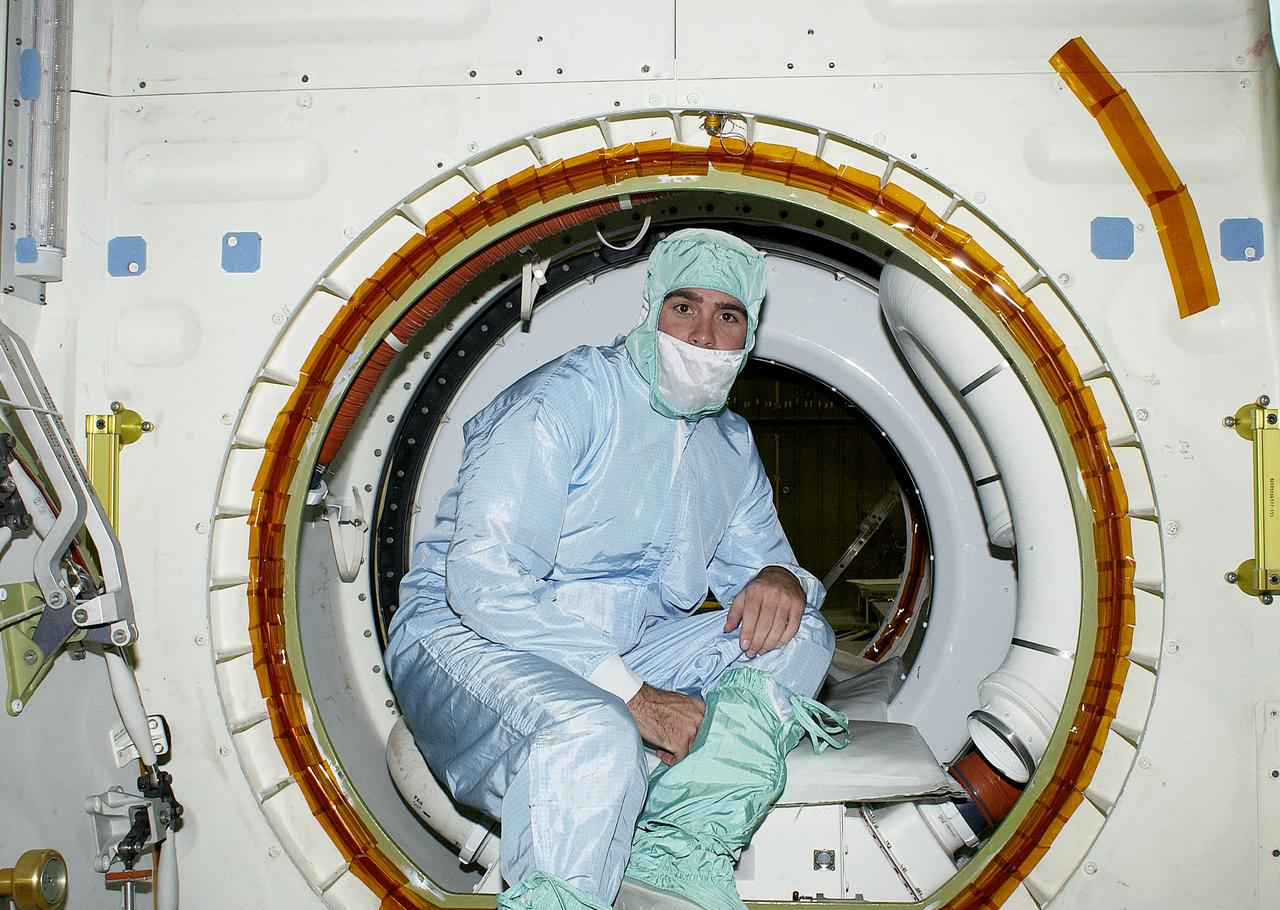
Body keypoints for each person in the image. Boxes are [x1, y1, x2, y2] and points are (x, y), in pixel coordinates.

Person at [384, 228, 835, 906]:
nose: (704, 334)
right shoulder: (564, 399)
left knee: (801, 633)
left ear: (748, 334)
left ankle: (678, 845)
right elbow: (484, 582)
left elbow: (765, 569)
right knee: (595, 728)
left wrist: (778, 578)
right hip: (468, 638)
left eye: (728, 316)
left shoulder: (729, 443)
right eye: (685, 307)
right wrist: (631, 695)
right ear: (651, 309)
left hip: (625, 645)